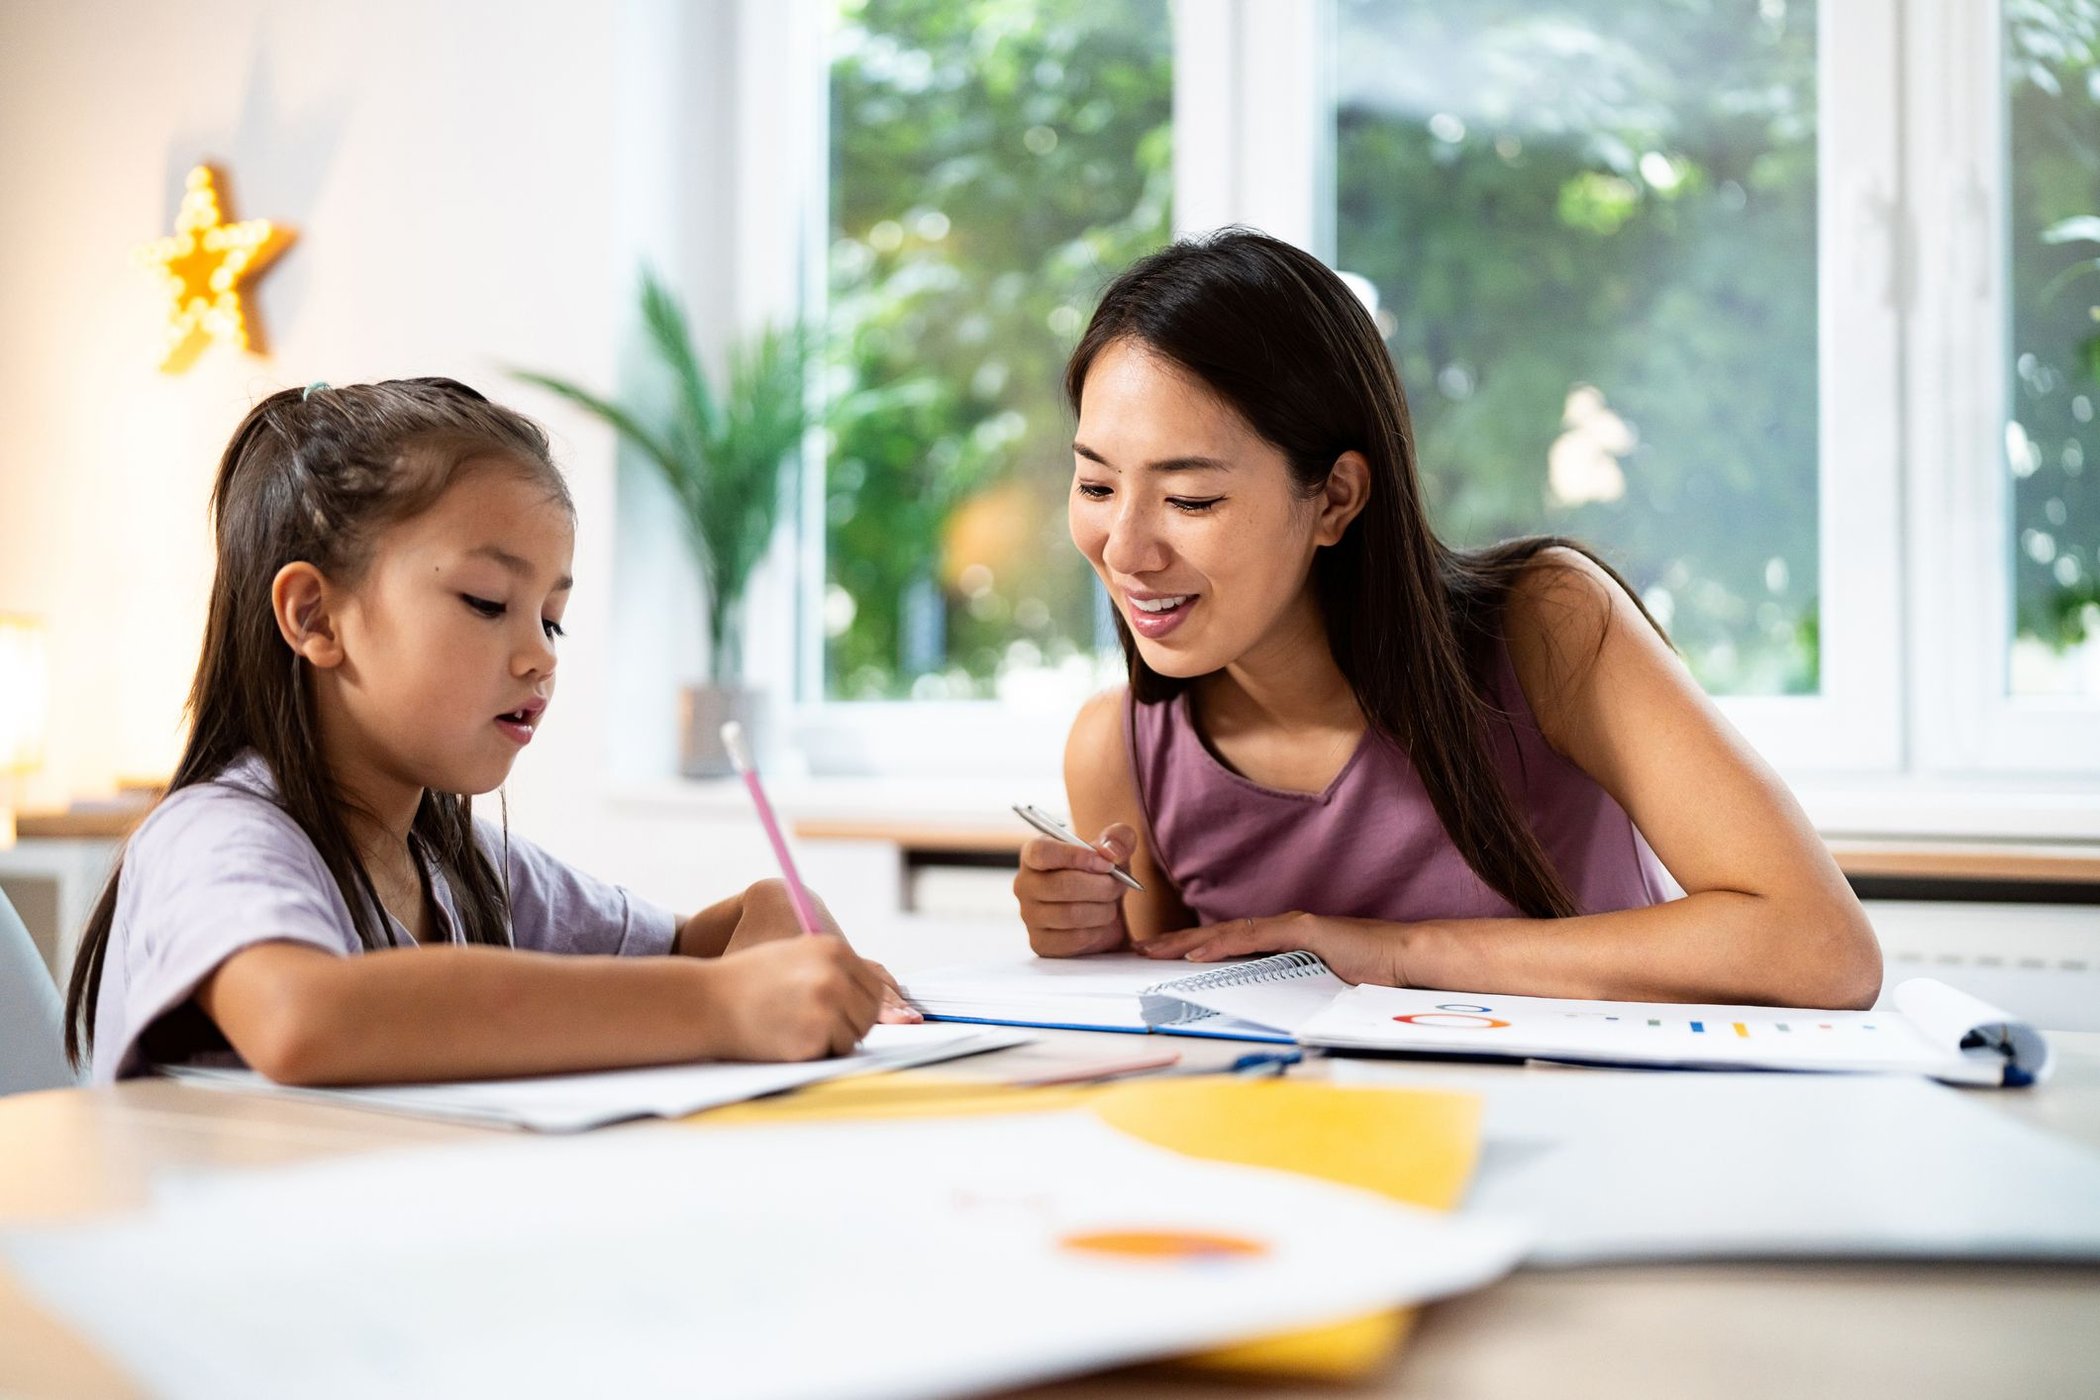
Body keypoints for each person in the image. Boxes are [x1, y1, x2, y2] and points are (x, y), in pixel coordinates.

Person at [1015, 229, 1881, 1009]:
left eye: (1190, 499)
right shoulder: (1120, 749)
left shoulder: (1547, 627)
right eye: (1096, 485)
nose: (1124, 549)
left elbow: (1821, 949)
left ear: (1336, 498)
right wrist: (1096, 944)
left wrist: (1395, 954)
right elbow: (1182, 1027)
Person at [65, 378, 909, 1086]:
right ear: (315, 616)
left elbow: (691, 947)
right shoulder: (212, 836)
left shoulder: (462, 863)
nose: (541, 656)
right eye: (486, 602)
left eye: (552, 618)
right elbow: (301, 1018)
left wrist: (772, 909)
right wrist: (720, 1007)